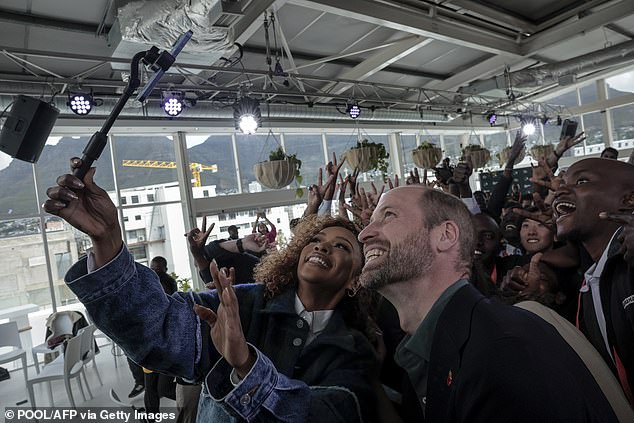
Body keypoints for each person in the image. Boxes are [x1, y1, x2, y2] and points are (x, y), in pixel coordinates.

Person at [43, 161, 380, 422]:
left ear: (355, 278)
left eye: (341, 247)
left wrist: (247, 366)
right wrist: (108, 240)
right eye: (316, 240)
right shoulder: (244, 304)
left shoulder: (354, 350)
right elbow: (155, 327)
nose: (322, 248)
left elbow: (329, 414)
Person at [357, 184, 617, 422]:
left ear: (445, 235)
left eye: (388, 215)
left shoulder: (503, 351)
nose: (364, 234)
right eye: (370, 222)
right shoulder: (437, 351)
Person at [550, 157, 634, 406]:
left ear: (629, 200)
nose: (559, 191)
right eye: (562, 183)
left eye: (582, 181)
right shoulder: (590, 283)